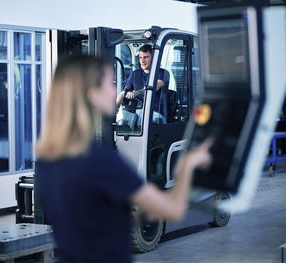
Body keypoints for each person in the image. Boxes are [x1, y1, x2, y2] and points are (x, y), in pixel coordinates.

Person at [35, 55, 212, 263]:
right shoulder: (100, 160)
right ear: (92, 94)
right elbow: (172, 210)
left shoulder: (47, 159)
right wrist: (187, 165)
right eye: (109, 84)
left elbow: (94, 219)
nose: (114, 91)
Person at [116, 44, 169, 127]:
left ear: (154, 58)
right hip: (136, 111)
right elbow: (123, 93)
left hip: (155, 112)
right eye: (140, 57)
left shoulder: (162, 73)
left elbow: (155, 87)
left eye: (146, 57)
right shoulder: (135, 74)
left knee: (141, 121)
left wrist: (135, 93)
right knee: (121, 122)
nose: (142, 61)